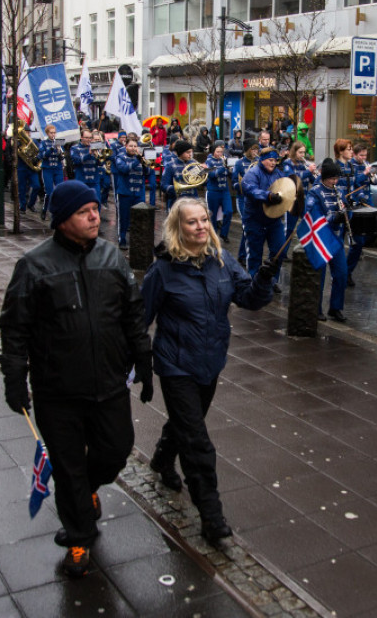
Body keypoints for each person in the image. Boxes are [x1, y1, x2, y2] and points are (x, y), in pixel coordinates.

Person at [0, 180, 153, 578]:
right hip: (57, 389)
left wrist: (143, 361)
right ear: (63, 219)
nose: (94, 216)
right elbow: (15, 328)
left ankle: (87, 489)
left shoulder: (111, 258)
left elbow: (133, 315)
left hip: (108, 382)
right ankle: (79, 537)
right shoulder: (34, 265)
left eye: (96, 209)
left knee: (116, 449)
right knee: (67, 466)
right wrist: (15, 379)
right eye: (85, 211)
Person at [141, 197, 274, 542]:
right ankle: (211, 516)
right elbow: (138, 319)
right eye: (192, 222)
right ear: (177, 228)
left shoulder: (221, 259)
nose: (201, 226)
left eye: (204, 220)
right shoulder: (163, 270)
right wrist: (135, 362)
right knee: (198, 441)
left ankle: (161, 457)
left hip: (211, 361)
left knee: (189, 421)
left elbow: (248, 298)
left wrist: (263, 280)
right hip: (175, 364)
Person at [306, 159, 349, 322]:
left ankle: (335, 307)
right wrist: (331, 217)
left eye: (336, 178)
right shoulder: (315, 192)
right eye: (332, 178)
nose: (335, 182)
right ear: (325, 177)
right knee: (320, 275)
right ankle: (316, 308)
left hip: (336, 239)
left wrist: (346, 214)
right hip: (321, 238)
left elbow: (344, 211)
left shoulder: (338, 191)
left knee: (342, 273)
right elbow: (311, 215)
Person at [241, 146, 288, 291]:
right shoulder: (253, 173)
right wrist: (267, 196)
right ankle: (255, 281)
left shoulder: (278, 174)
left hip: (274, 220)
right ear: (262, 160)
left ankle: (271, 279)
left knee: (279, 250)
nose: (273, 163)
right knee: (255, 253)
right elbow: (249, 189)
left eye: (275, 160)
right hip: (255, 219)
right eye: (270, 160)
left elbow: (286, 189)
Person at [346, 143, 376, 286]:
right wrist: (364, 174)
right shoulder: (350, 166)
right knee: (357, 241)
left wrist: (372, 176)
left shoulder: (367, 164)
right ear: (355, 154)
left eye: (365, 155)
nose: (364, 158)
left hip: (366, 205)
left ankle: (346, 271)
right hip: (354, 205)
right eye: (361, 155)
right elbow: (354, 182)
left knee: (364, 238)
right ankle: (345, 272)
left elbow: (372, 182)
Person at [114, 136, 150, 249]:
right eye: (131, 146)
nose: (133, 148)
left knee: (139, 218)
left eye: (135, 146)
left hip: (138, 193)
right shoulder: (120, 157)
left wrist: (145, 164)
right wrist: (137, 161)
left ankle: (137, 240)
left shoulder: (140, 158)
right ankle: (122, 238)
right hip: (125, 192)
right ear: (126, 146)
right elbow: (124, 169)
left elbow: (147, 173)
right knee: (124, 218)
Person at [232, 140, 260, 265]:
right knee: (246, 227)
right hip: (243, 198)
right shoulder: (239, 163)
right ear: (248, 150)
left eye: (256, 149)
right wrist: (242, 185)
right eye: (253, 149)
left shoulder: (258, 163)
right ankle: (242, 255)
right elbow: (233, 182)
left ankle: (250, 254)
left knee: (254, 227)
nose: (255, 152)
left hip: (255, 199)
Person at [205, 141, 233, 243]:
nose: (220, 154)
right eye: (218, 152)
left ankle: (224, 234)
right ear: (213, 151)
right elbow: (212, 175)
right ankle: (213, 235)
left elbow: (230, 174)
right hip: (213, 191)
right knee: (213, 215)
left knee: (229, 212)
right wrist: (223, 167)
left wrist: (231, 169)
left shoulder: (224, 160)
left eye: (221, 152)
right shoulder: (209, 162)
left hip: (224, 190)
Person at [38, 124, 65, 222]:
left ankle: (58, 211)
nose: (53, 135)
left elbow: (62, 156)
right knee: (49, 192)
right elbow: (42, 155)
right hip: (47, 169)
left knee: (59, 191)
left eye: (54, 132)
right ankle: (45, 210)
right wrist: (52, 148)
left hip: (57, 169)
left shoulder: (58, 143)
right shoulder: (44, 143)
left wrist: (59, 150)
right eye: (51, 133)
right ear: (47, 133)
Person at [70, 129, 102, 202]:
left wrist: (100, 154)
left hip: (94, 181)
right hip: (82, 180)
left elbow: (100, 163)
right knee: (82, 203)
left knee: (97, 202)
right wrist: (89, 154)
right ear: (81, 138)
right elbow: (76, 161)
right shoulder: (75, 148)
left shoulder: (95, 147)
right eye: (86, 138)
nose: (89, 140)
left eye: (90, 138)